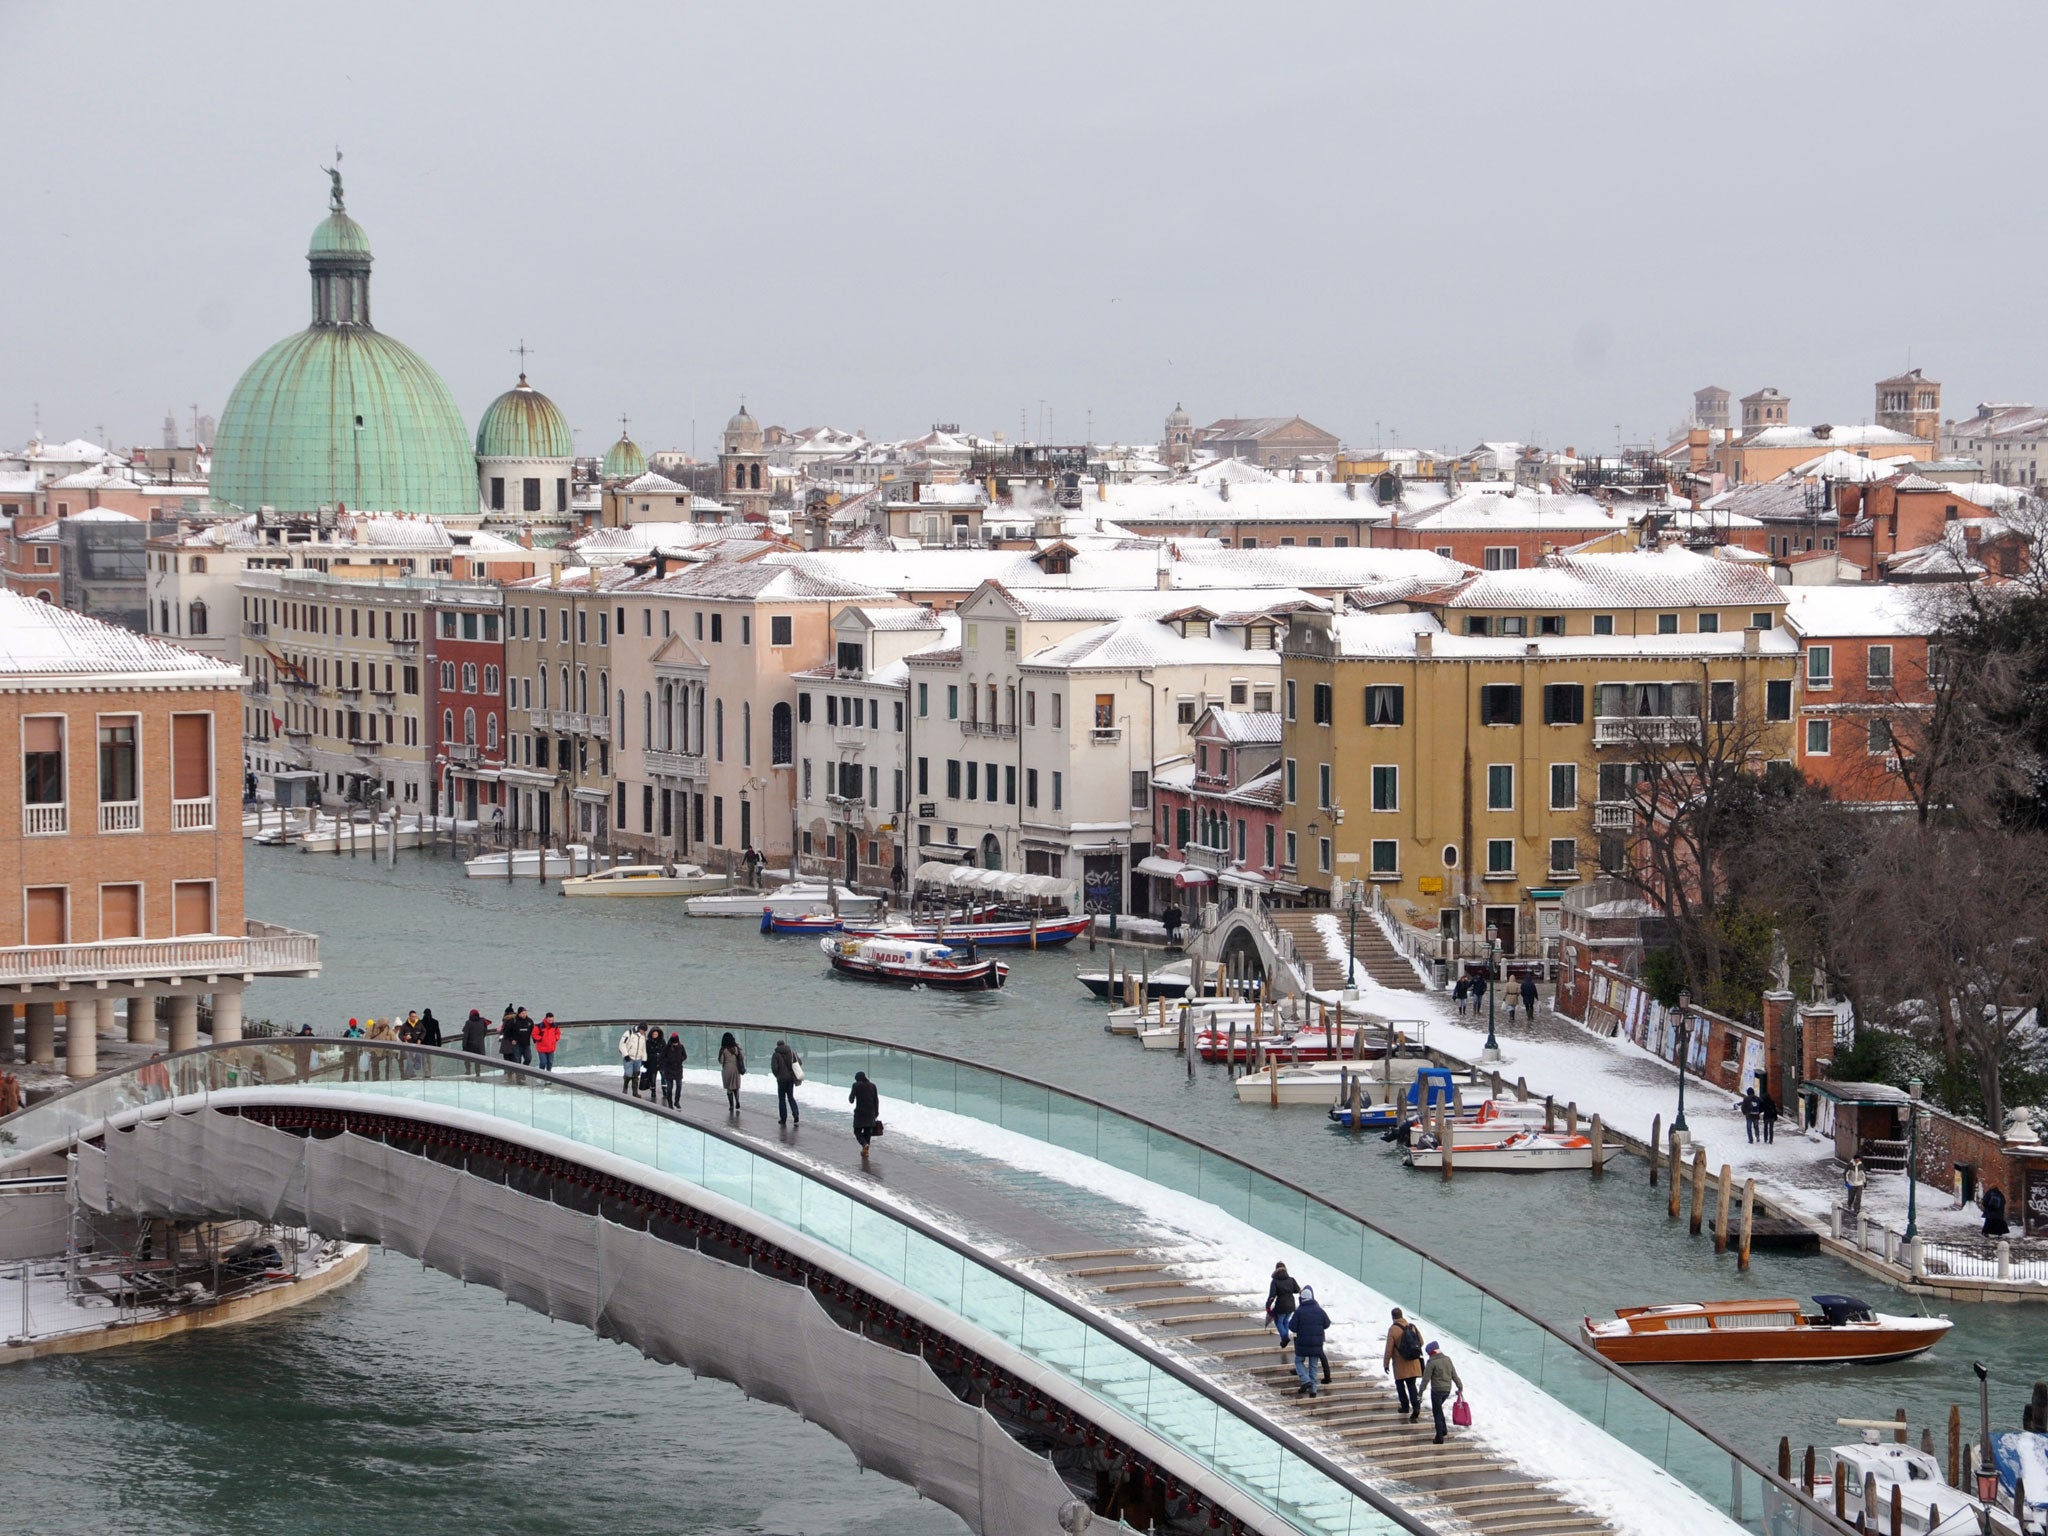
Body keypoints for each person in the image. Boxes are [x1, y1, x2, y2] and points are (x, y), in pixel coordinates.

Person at [1382, 1306, 1426, 1421]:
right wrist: (1411, 1351)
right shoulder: (1411, 1326)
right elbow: (1421, 1342)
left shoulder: (1392, 1329)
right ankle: (1416, 1408)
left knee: (1400, 1384)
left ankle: (1405, 1406)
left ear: (1393, 1317)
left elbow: (1389, 1349)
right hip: (1414, 1363)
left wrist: (1386, 1363)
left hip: (1400, 1364)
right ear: (1402, 1315)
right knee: (1412, 1386)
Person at [1290, 1284, 1332, 1396]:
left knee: (1299, 1361)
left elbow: (1292, 1327)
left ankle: (1305, 1380)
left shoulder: (1299, 1311)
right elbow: (1327, 1323)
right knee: (1313, 1365)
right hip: (1316, 1344)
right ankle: (1313, 1390)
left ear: (1301, 1299)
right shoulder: (1319, 1310)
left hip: (1302, 1343)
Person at [1422, 1341, 1465, 1444]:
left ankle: (1439, 1436)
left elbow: (1426, 1379)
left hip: (1436, 1390)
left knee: (1437, 1412)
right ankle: (1444, 1430)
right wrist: (1460, 1386)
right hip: (1447, 1390)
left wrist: (1420, 1392)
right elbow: (1454, 1375)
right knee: (1439, 1409)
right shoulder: (1447, 1359)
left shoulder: (1431, 1362)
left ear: (1431, 1352)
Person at [1264, 1262, 1301, 1351]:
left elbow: (1272, 1295)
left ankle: (1285, 1338)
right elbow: (1297, 1290)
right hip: (1291, 1304)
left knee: (1278, 1322)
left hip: (1281, 1305)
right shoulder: (1291, 1279)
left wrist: (1268, 1305)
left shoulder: (1275, 1281)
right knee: (1286, 1321)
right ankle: (1284, 1339)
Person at [849, 1069, 881, 1163]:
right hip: (871, 1114)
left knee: (857, 1131)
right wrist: (876, 1113)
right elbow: (876, 1100)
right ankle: (866, 1151)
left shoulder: (856, 1085)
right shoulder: (873, 1086)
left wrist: (853, 1094)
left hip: (860, 1114)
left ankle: (864, 1144)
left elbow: (851, 1100)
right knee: (868, 1133)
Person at [771, 1039, 802, 1126]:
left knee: (782, 1099)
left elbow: (774, 1068)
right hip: (790, 1079)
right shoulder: (791, 1053)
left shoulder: (776, 1055)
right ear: (784, 1044)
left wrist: (777, 1075)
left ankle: (783, 1119)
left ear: (777, 1046)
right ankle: (795, 1114)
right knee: (790, 1097)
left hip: (781, 1080)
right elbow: (800, 1062)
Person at [718, 1031, 745, 1114]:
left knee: (729, 1088)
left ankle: (731, 1105)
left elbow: (721, 1061)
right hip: (736, 1069)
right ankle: (737, 1101)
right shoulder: (736, 1048)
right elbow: (742, 1057)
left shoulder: (724, 1049)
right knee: (736, 1087)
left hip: (727, 1070)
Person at [660, 1030, 687, 1107]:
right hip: (668, 1070)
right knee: (669, 1088)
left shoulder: (681, 1047)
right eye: (674, 1043)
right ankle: (670, 1103)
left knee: (679, 1086)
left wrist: (680, 1060)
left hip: (678, 1070)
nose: (676, 1044)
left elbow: (685, 1056)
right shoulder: (667, 1048)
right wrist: (668, 1061)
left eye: (676, 1043)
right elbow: (661, 1057)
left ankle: (677, 1101)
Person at [619, 1023, 647, 1092]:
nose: (644, 1032)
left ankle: (635, 1093)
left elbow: (643, 1048)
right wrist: (626, 1055)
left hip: (638, 1059)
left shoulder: (643, 1036)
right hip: (629, 1058)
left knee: (636, 1075)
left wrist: (644, 1059)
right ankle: (625, 1089)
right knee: (628, 1074)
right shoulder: (629, 1033)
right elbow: (622, 1044)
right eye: (643, 1030)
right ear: (640, 1029)